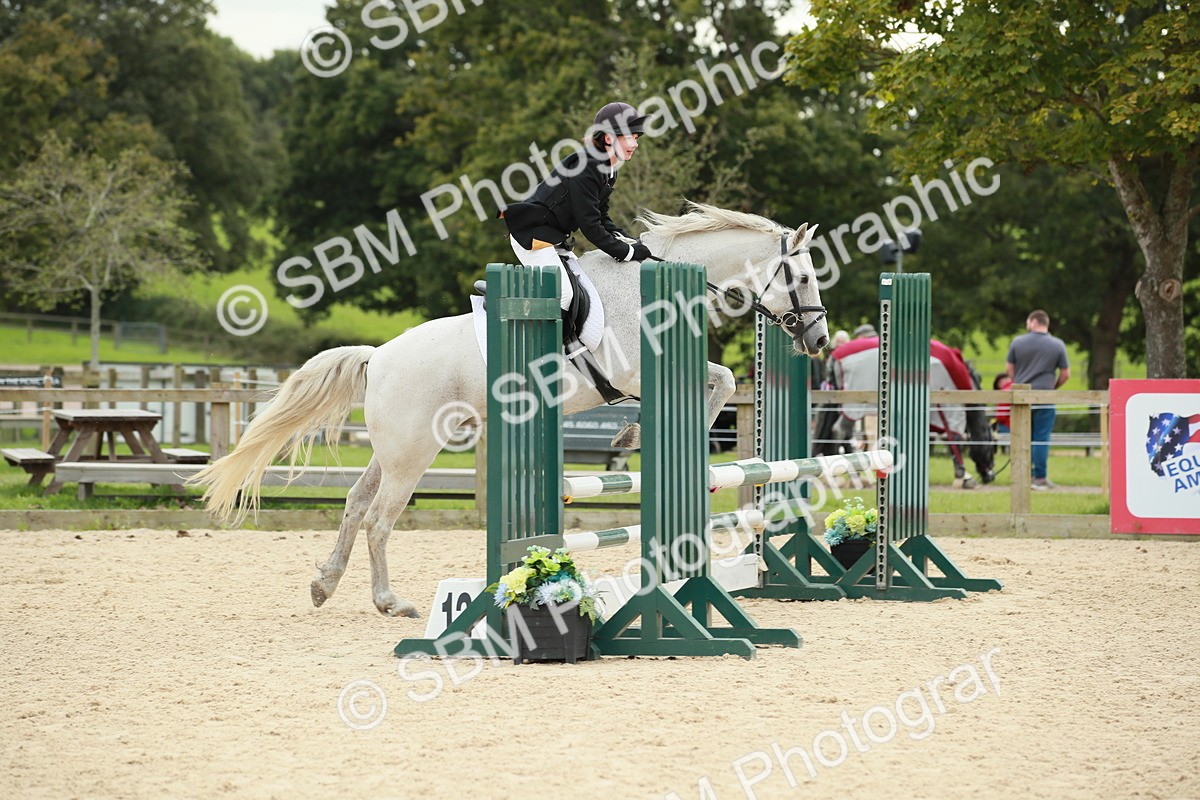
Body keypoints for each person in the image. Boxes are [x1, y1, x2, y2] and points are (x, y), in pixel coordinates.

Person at [494, 102, 653, 317]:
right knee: (565, 296)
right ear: (608, 138)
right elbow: (589, 225)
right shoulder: (587, 166)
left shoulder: (609, 169)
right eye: (629, 137)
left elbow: (601, 216)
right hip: (533, 237)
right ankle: (542, 347)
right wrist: (628, 253)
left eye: (636, 137)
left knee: (586, 289)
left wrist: (627, 239)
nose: (634, 144)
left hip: (554, 238)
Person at [1006, 310, 1070, 490]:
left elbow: (1009, 368)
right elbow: (1066, 374)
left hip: (1021, 397)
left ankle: (1021, 477)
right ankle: (1039, 477)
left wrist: (1017, 382)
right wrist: (1053, 388)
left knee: (1022, 437)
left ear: (1033, 321)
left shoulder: (1018, 342)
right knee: (1041, 438)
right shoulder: (1057, 344)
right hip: (1044, 397)